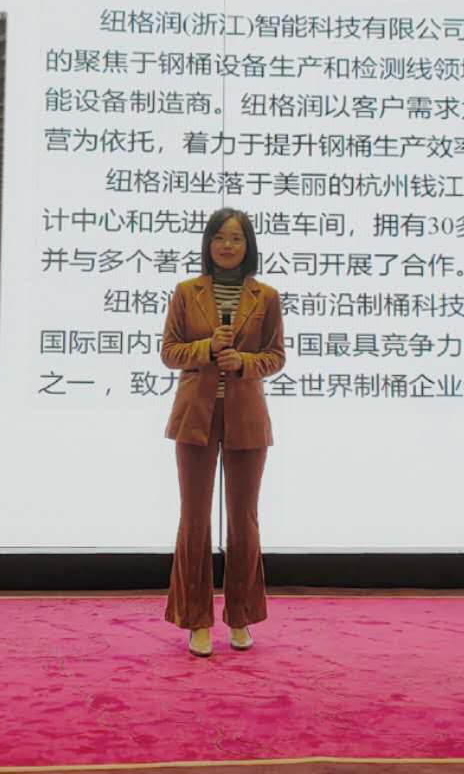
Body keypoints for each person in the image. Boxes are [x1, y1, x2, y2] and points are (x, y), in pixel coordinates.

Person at [161, 207, 285, 658]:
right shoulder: (186, 292)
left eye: (236, 238)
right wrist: (207, 349)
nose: (227, 246)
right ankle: (196, 620)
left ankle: (240, 617)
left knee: (243, 519)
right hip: (195, 416)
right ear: (208, 244)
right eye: (219, 237)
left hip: (246, 416)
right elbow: (169, 352)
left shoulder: (266, 296)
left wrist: (244, 362)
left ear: (248, 245)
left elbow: (276, 356)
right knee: (194, 519)